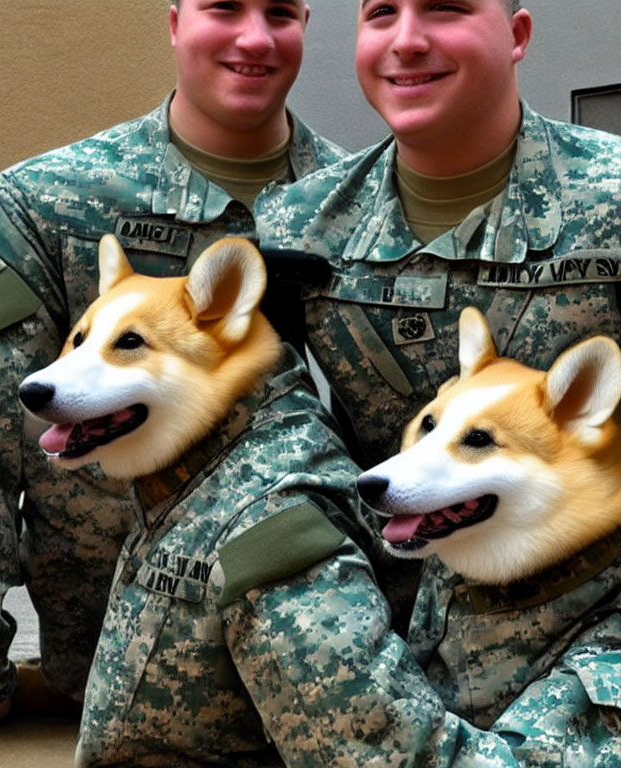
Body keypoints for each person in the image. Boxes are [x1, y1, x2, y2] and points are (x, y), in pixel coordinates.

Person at [0, 0, 349, 749]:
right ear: (175, 21)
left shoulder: (360, 206)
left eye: (280, 11)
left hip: (325, 641)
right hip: (121, 663)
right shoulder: (54, 201)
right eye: (224, 7)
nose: (254, 36)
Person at [255, 0, 621, 764]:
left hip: (594, 609)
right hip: (389, 581)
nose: (408, 40)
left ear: (517, 35)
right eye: (381, 13)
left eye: (446, 8)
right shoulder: (298, 225)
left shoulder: (611, 199)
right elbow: (270, 419)